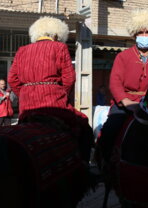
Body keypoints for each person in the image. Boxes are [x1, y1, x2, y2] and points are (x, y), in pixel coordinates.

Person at [8, 16, 94, 162]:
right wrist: (61, 94)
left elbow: (12, 80)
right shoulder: (59, 47)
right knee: (84, 124)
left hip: (27, 108)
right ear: (55, 35)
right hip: (54, 105)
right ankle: (84, 165)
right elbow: (69, 78)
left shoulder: (22, 50)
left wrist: (25, 94)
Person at [97, 9, 148, 162]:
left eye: (147, 32)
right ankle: (103, 162)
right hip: (124, 104)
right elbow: (114, 82)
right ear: (135, 35)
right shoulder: (123, 56)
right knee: (110, 130)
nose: (144, 35)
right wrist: (125, 102)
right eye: (140, 32)